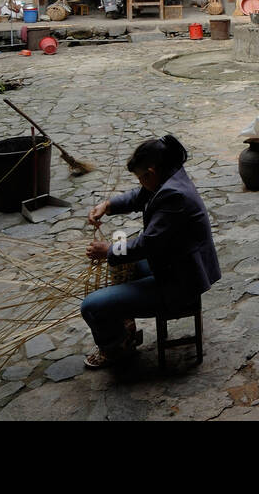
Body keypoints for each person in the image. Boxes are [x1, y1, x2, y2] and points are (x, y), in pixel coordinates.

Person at [81, 135, 222, 369]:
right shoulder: (170, 176)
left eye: (140, 177)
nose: (141, 183)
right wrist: (108, 205)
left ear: (151, 171)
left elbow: (146, 245)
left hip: (180, 284)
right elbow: (140, 196)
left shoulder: (174, 196)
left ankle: (115, 348)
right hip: (176, 265)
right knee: (124, 266)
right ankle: (125, 329)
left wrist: (108, 250)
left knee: (91, 306)